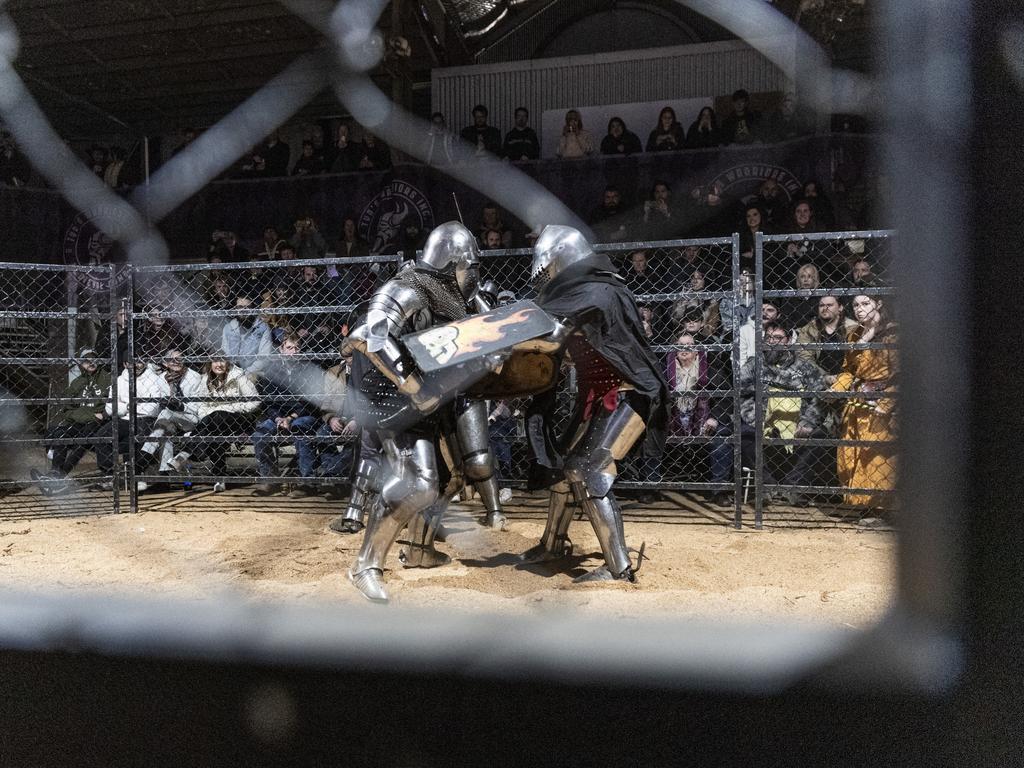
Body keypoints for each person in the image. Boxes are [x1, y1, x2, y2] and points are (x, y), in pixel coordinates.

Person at [342, 221, 496, 602]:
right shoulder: (409, 286)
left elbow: (485, 332)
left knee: (455, 477)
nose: (474, 275)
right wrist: (414, 385)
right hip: (401, 403)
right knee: (418, 482)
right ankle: (365, 565)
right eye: (469, 266)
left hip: (444, 398)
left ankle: (419, 550)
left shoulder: (462, 297)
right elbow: (368, 334)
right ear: (450, 264)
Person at [516, 225, 669, 583]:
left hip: (629, 392)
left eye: (551, 267)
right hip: (597, 397)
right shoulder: (573, 297)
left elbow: (557, 326)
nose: (548, 277)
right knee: (561, 469)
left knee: (586, 471)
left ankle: (618, 569)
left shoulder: (601, 292)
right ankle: (553, 544)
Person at [708, 321, 829, 507]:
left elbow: (819, 397)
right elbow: (741, 394)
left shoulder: (804, 367)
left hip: (796, 422)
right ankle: (767, 485)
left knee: (820, 437)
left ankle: (792, 486)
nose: (772, 342)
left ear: (788, 341)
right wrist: (756, 418)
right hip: (762, 420)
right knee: (745, 434)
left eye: (778, 338)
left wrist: (807, 422)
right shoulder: (753, 364)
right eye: (768, 338)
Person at [831, 294, 897, 508]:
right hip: (857, 401)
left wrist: (886, 403)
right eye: (856, 305)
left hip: (882, 402)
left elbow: (902, 374)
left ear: (878, 304)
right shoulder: (854, 334)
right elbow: (849, 370)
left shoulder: (893, 334)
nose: (860, 309)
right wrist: (836, 388)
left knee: (877, 455)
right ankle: (860, 505)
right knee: (850, 452)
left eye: (865, 303)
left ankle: (880, 507)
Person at [169, 354, 260, 492]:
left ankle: (186, 453)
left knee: (217, 416)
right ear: (210, 363)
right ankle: (220, 479)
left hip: (238, 419)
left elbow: (255, 401)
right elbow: (202, 405)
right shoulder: (205, 379)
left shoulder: (238, 376)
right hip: (213, 423)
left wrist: (230, 408)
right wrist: (209, 414)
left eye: (222, 361)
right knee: (215, 427)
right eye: (215, 361)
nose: (219, 364)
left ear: (228, 363)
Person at [250, 334, 324, 497]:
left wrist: (290, 418)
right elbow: (268, 403)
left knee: (300, 427)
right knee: (260, 434)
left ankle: (307, 482)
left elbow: (312, 402)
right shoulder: (272, 371)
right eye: (290, 347)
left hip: (304, 414)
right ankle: (270, 480)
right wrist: (278, 418)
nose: (294, 351)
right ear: (281, 350)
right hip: (279, 416)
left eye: (297, 348)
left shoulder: (309, 369)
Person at [31, 349, 112, 491]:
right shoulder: (77, 383)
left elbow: (109, 407)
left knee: (83, 439)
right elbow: (67, 410)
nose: (91, 363)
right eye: (87, 360)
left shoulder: (107, 379)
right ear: (81, 364)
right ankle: (55, 474)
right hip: (82, 421)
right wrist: (89, 414)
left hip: (99, 423)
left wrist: (94, 415)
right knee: (60, 434)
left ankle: (57, 478)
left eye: (93, 359)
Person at [96, 357, 171, 490]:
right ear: (125, 364)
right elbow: (109, 407)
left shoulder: (154, 379)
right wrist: (127, 408)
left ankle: (137, 474)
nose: (136, 365)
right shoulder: (119, 380)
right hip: (124, 418)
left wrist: (126, 406)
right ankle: (111, 474)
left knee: (140, 435)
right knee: (102, 435)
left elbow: (152, 407)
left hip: (146, 419)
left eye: (140, 361)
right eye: (131, 362)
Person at [140, 348, 205, 483]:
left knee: (165, 414)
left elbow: (197, 409)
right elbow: (157, 405)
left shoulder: (194, 377)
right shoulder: (160, 379)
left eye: (179, 359)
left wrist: (180, 406)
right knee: (165, 430)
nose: (176, 362)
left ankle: (143, 457)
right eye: (171, 360)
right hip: (169, 421)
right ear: (165, 363)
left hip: (190, 418)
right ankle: (165, 476)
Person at [796, 295, 858, 376]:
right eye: (821, 305)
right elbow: (804, 356)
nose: (825, 308)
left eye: (829, 305)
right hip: (817, 376)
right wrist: (824, 376)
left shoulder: (853, 327)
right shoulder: (809, 329)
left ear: (840, 308)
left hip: (848, 375)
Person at [221, 295, 273, 379]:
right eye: (240, 307)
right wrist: (232, 372)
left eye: (247, 307)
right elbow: (225, 352)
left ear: (253, 308)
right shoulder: (228, 328)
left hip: (254, 373)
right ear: (235, 309)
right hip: (231, 371)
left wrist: (246, 373)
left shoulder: (263, 328)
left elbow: (264, 357)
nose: (243, 310)